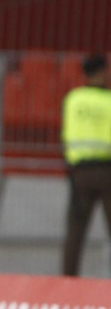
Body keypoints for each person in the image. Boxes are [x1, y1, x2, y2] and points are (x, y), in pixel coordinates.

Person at [61, 53, 111, 277]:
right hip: (107, 171)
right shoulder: (109, 101)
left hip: (80, 172)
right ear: (102, 71)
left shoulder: (73, 99)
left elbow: (67, 134)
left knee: (75, 231)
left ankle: (68, 280)